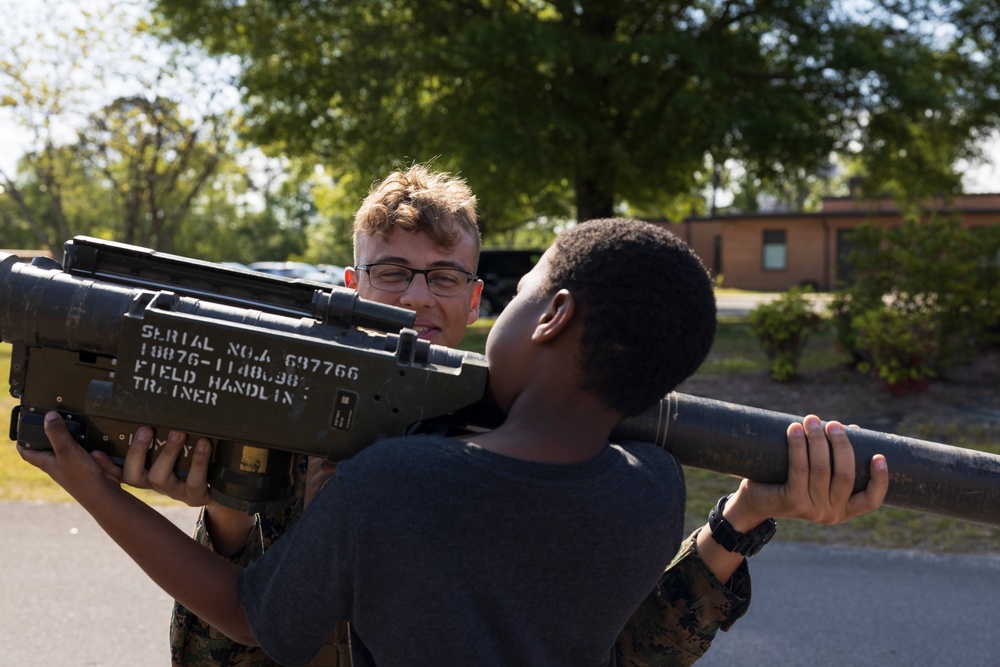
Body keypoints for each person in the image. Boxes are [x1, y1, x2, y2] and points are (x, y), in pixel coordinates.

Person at [20, 218, 889, 667]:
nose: (417, 301)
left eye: (457, 281)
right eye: (391, 275)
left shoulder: (396, 482)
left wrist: (100, 494)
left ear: (522, 311)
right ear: (351, 287)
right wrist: (229, 509)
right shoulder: (651, 481)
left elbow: (256, 617)